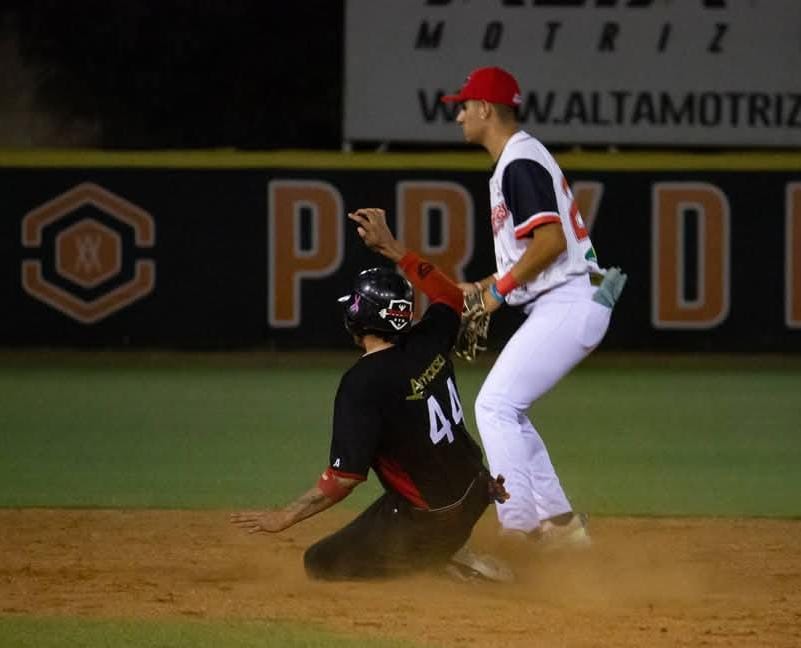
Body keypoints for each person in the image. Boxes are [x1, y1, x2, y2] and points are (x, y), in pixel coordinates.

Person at [231, 208, 511, 581]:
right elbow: (449, 295)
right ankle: (445, 547)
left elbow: (343, 478)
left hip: (434, 518)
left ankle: (440, 560)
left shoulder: (362, 383)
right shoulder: (429, 337)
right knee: (399, 500)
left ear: (358, 320)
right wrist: (394, 249)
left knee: (320, 563)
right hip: (477, 488)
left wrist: (285, 516)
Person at [440, 66, 626, 546]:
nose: (458, 114)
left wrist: (496, 294)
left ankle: (518, 528)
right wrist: (483, 286)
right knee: (510, 409)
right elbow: (530, 259)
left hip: (571, 298)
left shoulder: (519, 161)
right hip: (567, 299)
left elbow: (551, 243)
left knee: (495, 405)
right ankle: (560, 527)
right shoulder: (516, 160)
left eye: (463, 105)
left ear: (485, 108)